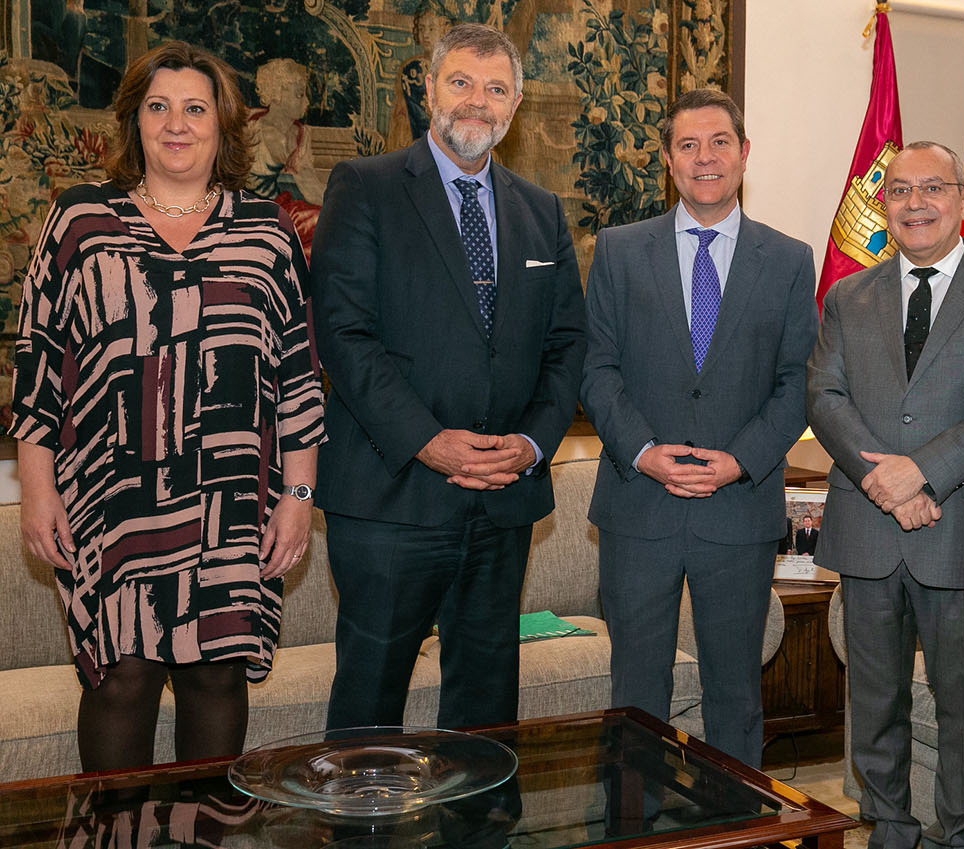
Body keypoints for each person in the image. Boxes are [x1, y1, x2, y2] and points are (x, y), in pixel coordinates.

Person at [9, 41, 324, 772]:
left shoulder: (265, 232)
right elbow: (37, 365)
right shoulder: (80, 221)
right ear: (135, 122)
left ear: (223, 125)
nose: (175, 124)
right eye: (158, 107)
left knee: (216, 671)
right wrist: (36, 487)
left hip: (229, 498)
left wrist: (298, 496)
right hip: (111, 495)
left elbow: (299, 380)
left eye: (194, 108)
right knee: (122, 674)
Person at [312, 23, 586, 731]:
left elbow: (565, 345)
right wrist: (429, 440)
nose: (477, 102)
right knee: (370, 706)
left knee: (485, 705)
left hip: (502, 499)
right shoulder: (365, 187)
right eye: (460, 82)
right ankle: (359, 840)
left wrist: (530, 445)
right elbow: (343, 333)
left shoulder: (541, 211)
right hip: (392, 494)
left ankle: (481, 833)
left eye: (496, 89)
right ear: (429, 88)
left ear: (516, 105)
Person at [580, 88, 818, 768]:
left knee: (735, 694)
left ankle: (731, 833)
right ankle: (633, 830)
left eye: (719, 142)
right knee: (635, 696)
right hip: (638, 505)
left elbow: (796, 380)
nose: (704, 157)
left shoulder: (789, 258)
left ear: (743, 154)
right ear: (667, 160)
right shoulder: (620, 251)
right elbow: (596, 368)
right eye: (687, 145)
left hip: (737, 510)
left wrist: (740, 461)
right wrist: (644, 451)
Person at [808, 141, 964, 849]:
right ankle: (889, 827)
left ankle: (960, 835)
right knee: (873, 698)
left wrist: (921, 474)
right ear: (883, 203)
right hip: (868, 527)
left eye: (932, 188)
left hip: (961, 525)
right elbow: (824, 393)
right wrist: (883, 481)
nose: (915, 202)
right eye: (899, 190)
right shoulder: (847, 293)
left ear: (961, 199)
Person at [247, 57, 323, 257]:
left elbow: (309, 184)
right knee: (325, 221)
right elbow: (309, 186)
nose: (306, 101)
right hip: (255, 215)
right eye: (299, 94)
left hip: (284, 207)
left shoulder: (299, 133)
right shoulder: (254, 130)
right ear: (277, 94)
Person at [386, 4, 454, 152]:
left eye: (431, 28)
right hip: (417, 146)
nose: (426, 35)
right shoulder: (410, 70)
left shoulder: (456, 70)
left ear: (444, 30)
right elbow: (401, 115)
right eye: (422, 29)